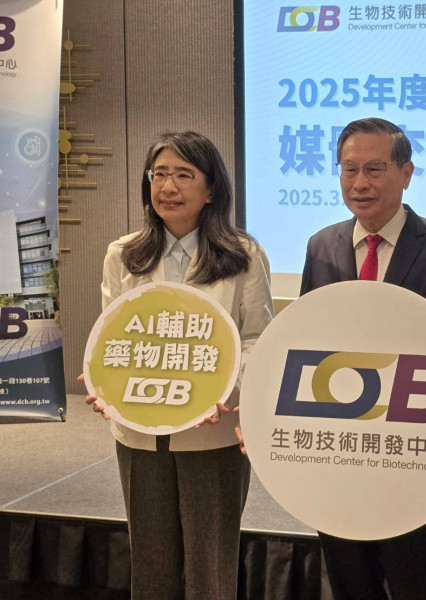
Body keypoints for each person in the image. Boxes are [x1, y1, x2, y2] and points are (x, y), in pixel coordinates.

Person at [300, 117, 426, 600]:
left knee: (417, 583)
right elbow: (303, 342)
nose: (359, 183)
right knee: (351, 583)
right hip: (338, 451)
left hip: (414, 452)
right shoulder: (321, 246)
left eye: (374, 169)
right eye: (349, 169)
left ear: (406, 173)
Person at [83, 131, 274, 600]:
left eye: (184, 175)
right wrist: (103, 383)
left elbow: (257, 338)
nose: (168, 187)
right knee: (151, 568)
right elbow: (114, 337)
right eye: (160, 174)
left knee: (211, 569)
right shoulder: (123, 253)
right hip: (139, 432)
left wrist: (223, 389)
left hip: (212, 432)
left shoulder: (243, 255)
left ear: (211, 190)